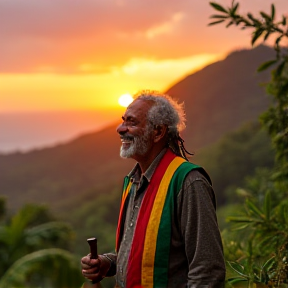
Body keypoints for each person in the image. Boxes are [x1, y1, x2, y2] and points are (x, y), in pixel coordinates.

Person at [81, 90, 226, 288]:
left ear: (158, 132)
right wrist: (109, 263)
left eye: (131, 122)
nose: (120, 128)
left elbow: (207, 272)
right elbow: (146, 255)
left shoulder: (188, 182)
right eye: (123, 120)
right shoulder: (133, 182)